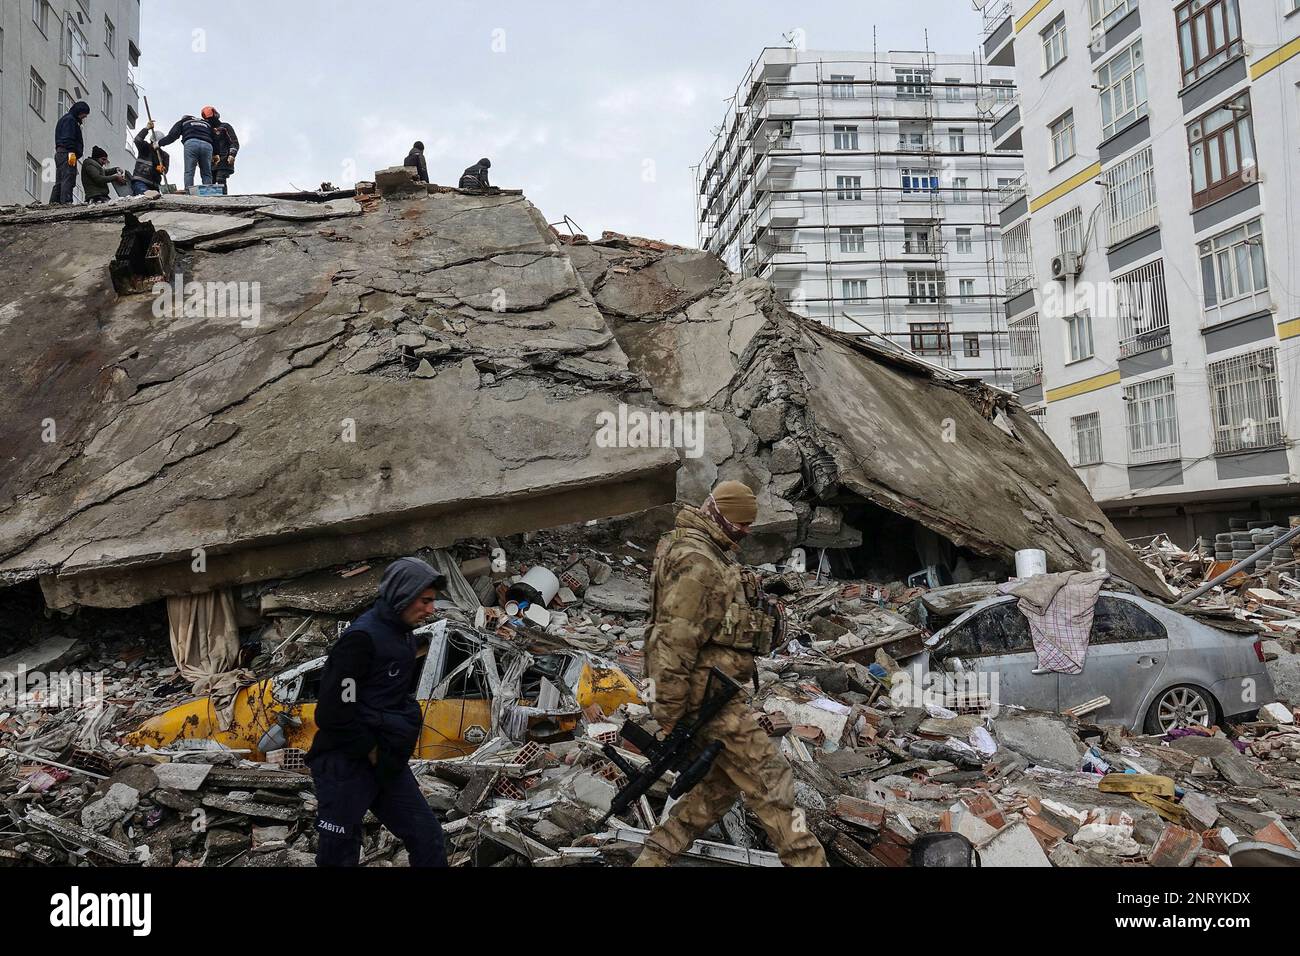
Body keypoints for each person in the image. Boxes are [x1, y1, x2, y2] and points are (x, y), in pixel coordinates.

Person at [633, 480, 828, 867]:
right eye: (740, 526)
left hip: (713, 694)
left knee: (720, 788)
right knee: (773, 782)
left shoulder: (696, 548)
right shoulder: (699, 562)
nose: (744, 533)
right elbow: (671, 641)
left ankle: (653, 857)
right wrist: (669, 716)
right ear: (720, 516)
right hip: (706, 702)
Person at [307, 557, 448, 867]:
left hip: (385, 762)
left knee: (428, 838)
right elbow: (333, 712)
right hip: (345, 764)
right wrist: (369, 750)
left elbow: (391, 698)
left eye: (432, 602)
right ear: (402, 594)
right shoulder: (361, 639)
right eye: (425, 601)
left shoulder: (404, 636)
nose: (431, 610)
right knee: (339, 855)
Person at [158, 107, 219, 188]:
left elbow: (172, 135)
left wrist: (159, 143)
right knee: (206, 172)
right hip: (207, 145)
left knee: (189, 171)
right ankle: (208, 191)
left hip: (191, 143)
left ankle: (188, 190)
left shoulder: (183, 121)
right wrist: (216, 153)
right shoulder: (206, 123)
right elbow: (215, 138)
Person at [51, 100, 91, 204]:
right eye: (84, 114)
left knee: (61, 179)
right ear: (80, 111)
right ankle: (66, 202)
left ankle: (55, 202)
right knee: (69, 177)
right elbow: (68, 139)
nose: (84, 117)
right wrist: (74, 152)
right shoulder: (70, 120)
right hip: (68, 153)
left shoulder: (66, 119)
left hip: (62, 153)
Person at [130, 122, 171, 196]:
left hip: (154, 185)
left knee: (156, 200)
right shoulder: (145, 147)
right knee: (145, 195)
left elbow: (165, 171)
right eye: (153, 142)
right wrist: (146, 128)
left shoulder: (164, 155)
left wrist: (162, 169)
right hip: (141, 181)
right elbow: (137, 140)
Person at [210, 111, 240, 191]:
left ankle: (223, 199)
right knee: (209, 182)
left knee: (220, 178)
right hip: (212, 161)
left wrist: (232, 155)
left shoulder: (225, 127)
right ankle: (211, 201)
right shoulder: (208, 129)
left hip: (224, 159)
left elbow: (234, 142)